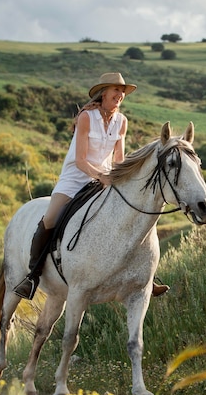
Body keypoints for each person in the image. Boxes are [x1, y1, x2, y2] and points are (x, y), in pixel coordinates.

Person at [14, 72, 169, 300]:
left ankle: (143, 275)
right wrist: (101, 177)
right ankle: (32, 276)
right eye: (116, 90)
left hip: (105, 179)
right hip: (76, 178)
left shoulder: (122, 122)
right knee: (50, 219)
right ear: (103, 92)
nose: (120, 95)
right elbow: (80, 160)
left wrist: (118, 177)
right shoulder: (87, 117)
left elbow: (118, 158)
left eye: (122, 91)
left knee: (130, 215)